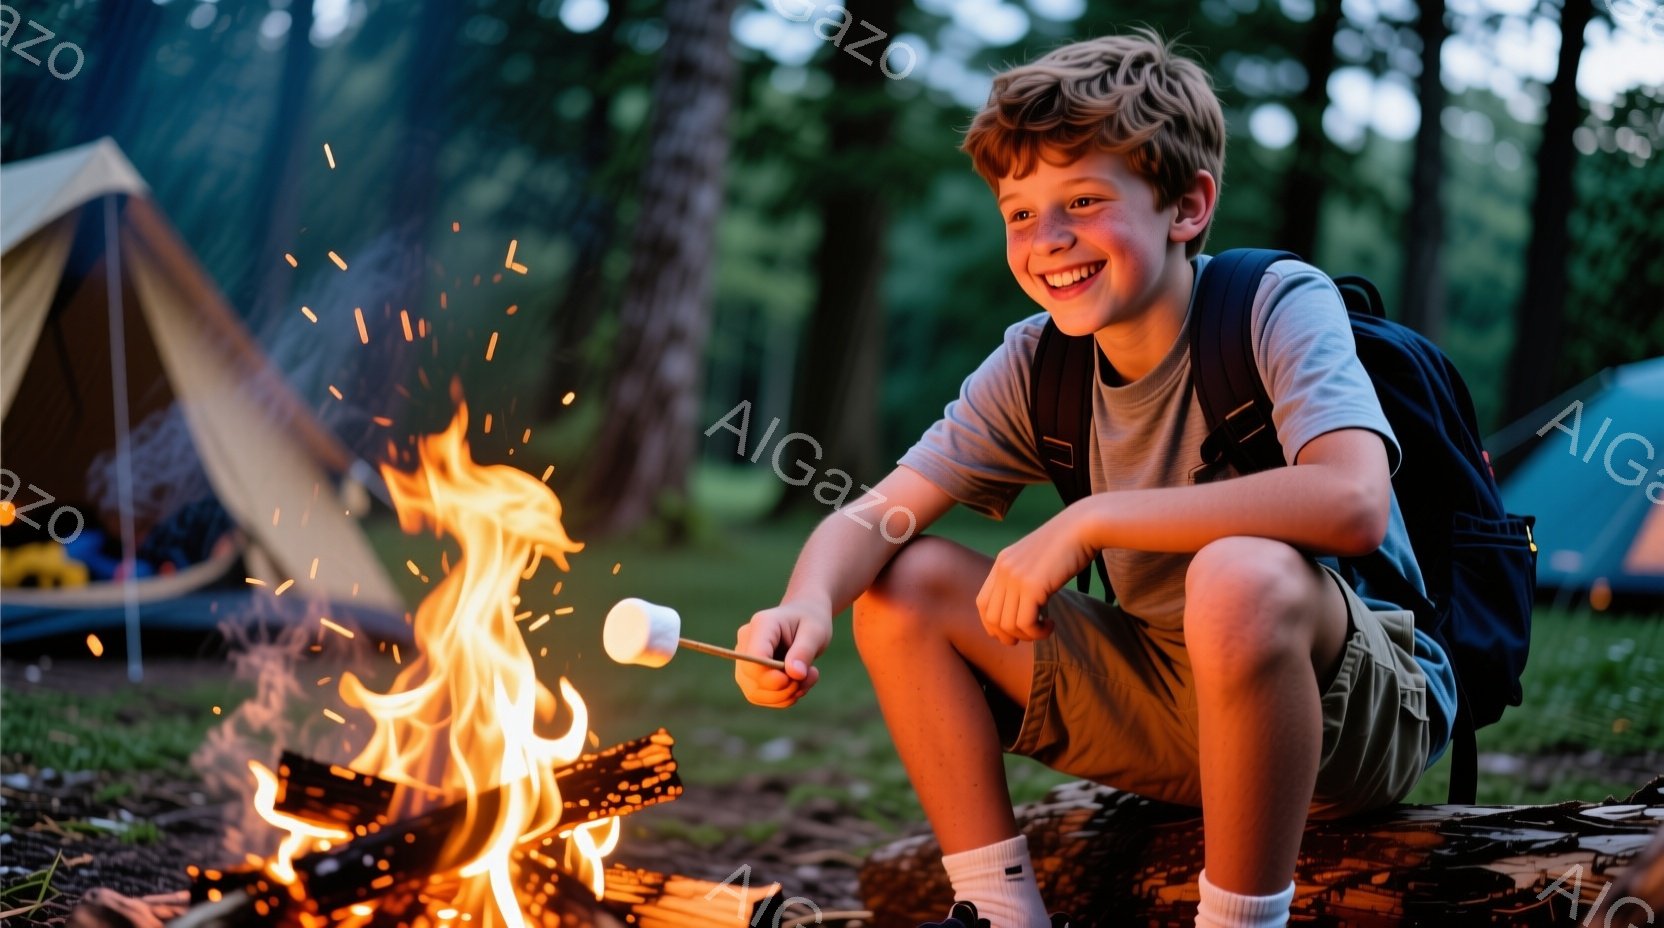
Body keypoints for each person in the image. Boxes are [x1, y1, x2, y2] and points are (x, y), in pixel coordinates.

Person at [733, 29, 1457, 928]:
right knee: (903, 584)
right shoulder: (1038, 363)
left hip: (1353, 708)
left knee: (1235, 575)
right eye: (1021, 213)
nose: (1050, 240)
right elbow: (878, 516)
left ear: (1187, 206)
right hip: (1170, 705)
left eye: (1083, 199)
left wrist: (1093, 519)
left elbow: (1351, 503)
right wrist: (806, 602)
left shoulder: (1274, 304)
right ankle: (998, 910)